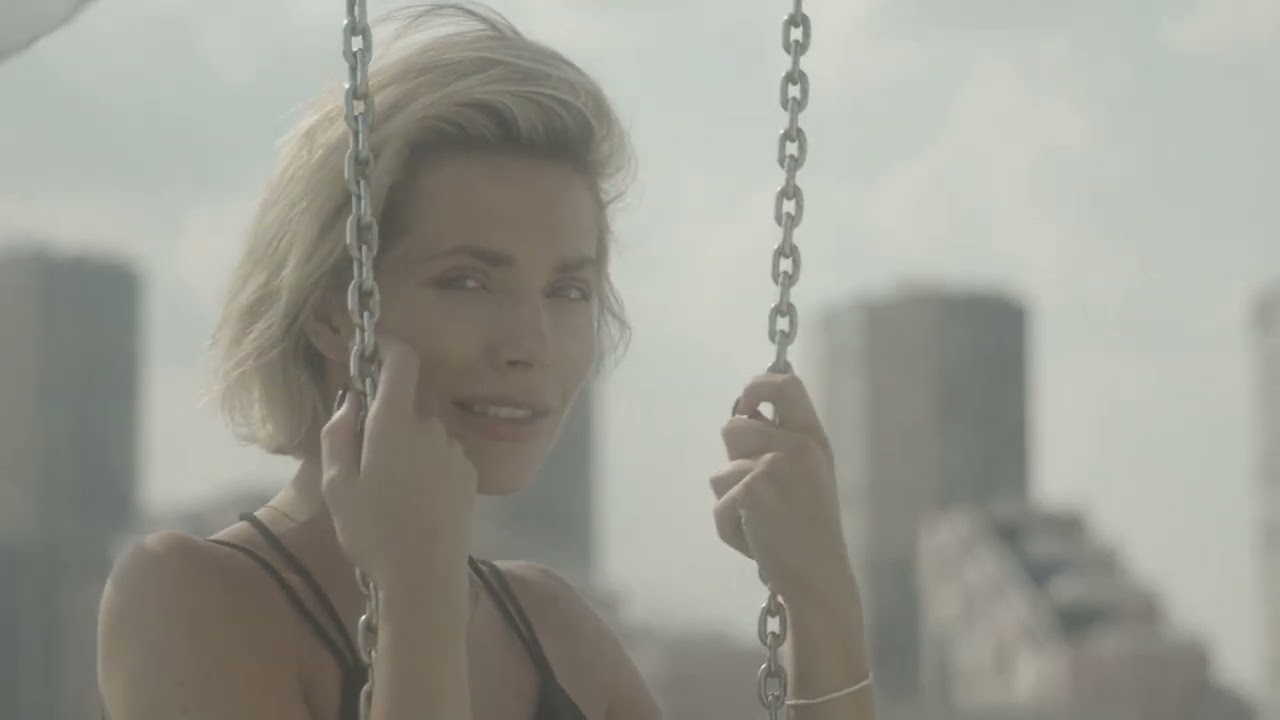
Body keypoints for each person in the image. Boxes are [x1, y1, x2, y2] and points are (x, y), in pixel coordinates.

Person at [96, 4, 873, 719]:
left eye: (567, 290)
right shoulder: (190, 598)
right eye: (467, 281)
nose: (530, 345)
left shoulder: (554, 627)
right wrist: (418, 592)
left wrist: (820, 595)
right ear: (337, 311)